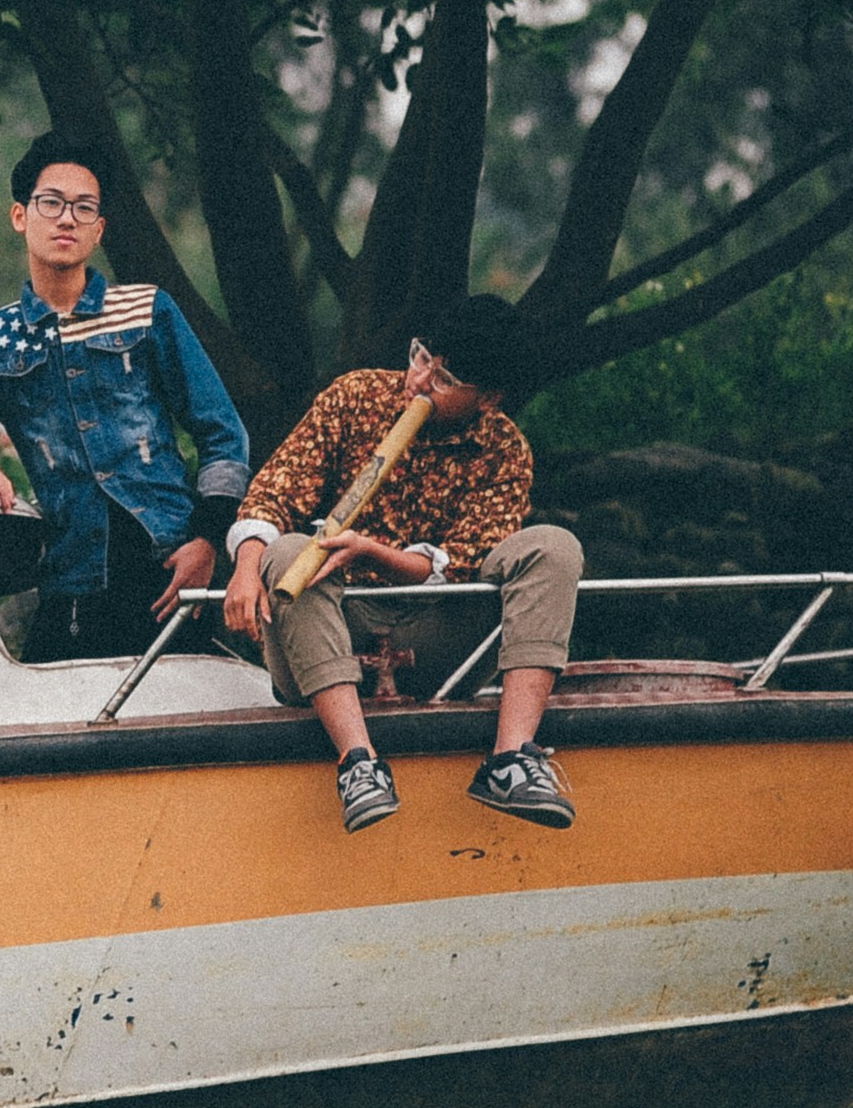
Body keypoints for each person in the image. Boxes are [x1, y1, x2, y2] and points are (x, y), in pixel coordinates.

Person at [220, 294, 587, 832]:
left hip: (437, 636)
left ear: (488, 398)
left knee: (554, 545)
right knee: (289, 550)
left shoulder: (506, 449)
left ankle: (511, 760)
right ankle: (359, 765)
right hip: (328, 633)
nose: (418, 383)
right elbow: (274, 492)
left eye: (443, 380)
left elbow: (461, 563)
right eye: (420, 358)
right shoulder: (356, 395)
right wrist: (247, 565)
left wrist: (372, 550)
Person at [0, 135, 254, 659]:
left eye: (84, 208)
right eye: (52, 203)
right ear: (21, 216)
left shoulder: (147, 309)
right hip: (70, 573)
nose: (68, 219)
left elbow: (223, 434)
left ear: (100, 228)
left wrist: (206, 540)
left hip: (172, 566)